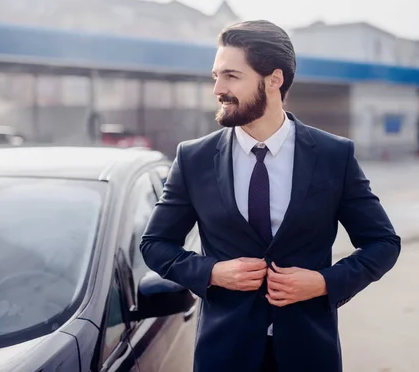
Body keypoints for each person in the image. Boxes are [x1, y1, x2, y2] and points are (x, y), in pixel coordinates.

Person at [140, 20, 401, 372]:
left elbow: (383, 243)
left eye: (231, 76)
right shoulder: (193, 158)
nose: (217, 88)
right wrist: (212, 272)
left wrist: (325, 283)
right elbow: (155, 244)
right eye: (215, 76)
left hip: (309, 353)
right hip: (223, 355)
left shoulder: (333, 155)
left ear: (274, 80)